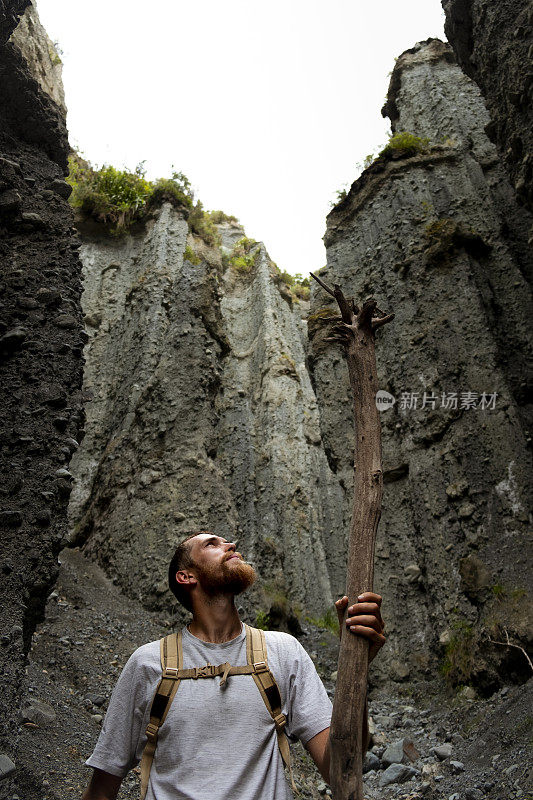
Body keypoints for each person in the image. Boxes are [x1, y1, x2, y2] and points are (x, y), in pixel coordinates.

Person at [81, 531, 386, 800]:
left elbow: (339, 769)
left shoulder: (283, 651)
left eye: (226, 541)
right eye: (212, 544)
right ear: (186, 576)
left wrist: (357, 668)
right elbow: (101, 791)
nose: (231, 545)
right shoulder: (148, 663)